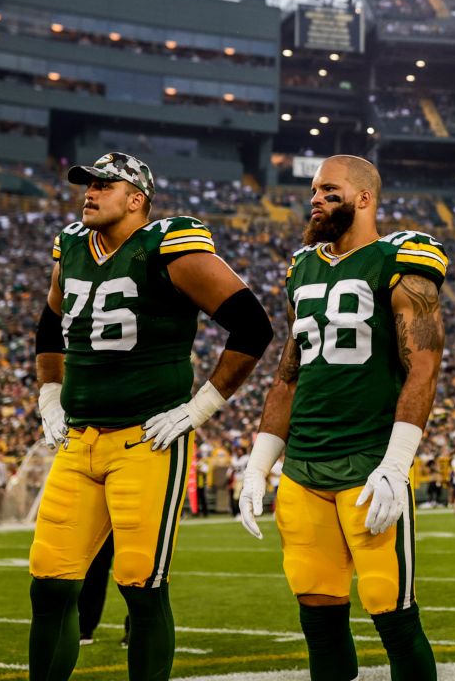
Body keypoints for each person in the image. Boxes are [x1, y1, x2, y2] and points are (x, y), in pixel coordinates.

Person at [28, 151, 273, 681]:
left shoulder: (169, 245)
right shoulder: (70, 246)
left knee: (140, 584)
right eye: (86, 184)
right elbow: (50, 325)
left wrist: (199, 408)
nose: (88, 192)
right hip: (77, 439)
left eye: (104, 185)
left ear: (136, 199)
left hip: (146, 439)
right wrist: (50, 396)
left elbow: (253, 326)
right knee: (48, 584)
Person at [236, 155, 446, 681]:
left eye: (329, 190)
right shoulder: (302, 267)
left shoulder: (399, 258)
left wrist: (397, 463)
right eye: (313, 190)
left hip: (368, 462)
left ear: (364, 198)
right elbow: (287, 374)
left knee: (391, 613)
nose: (315, 199)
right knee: (319, 619)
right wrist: (258, 465)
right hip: (303, 469)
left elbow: (423, 367)